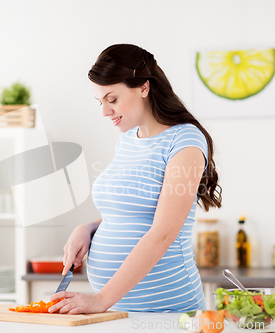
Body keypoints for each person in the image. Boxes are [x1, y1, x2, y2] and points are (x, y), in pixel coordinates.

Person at [48, 44, 222, 314]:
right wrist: (88, 228)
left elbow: (163, 232)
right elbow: (130, 212)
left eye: (112, 99)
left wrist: (101, 299)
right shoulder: (128, 140)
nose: (105, 112)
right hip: (121, 311)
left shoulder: (184, 141)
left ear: (143, 87)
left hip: (166, 312)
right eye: (100, 102)